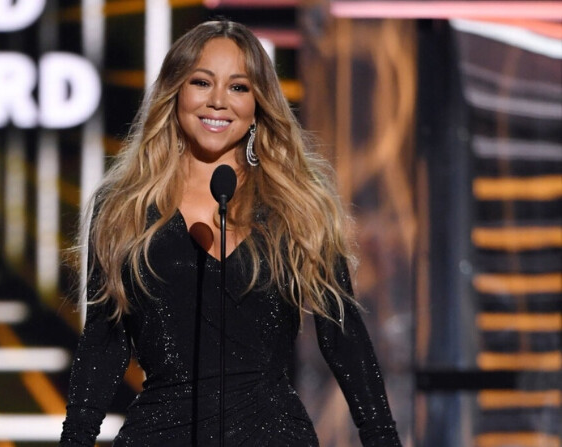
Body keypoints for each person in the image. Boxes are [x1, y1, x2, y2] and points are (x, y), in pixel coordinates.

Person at [60, 20, 401, 446]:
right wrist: (75, 439)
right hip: (161, 435)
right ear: (175, 92)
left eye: (238, 87)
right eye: (202, 82)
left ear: (259, 101)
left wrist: (381, 435)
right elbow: (105, 340)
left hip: (274, 435)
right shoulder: (124, 207)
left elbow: (342, 332)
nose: (218, 101)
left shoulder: (294, 205)